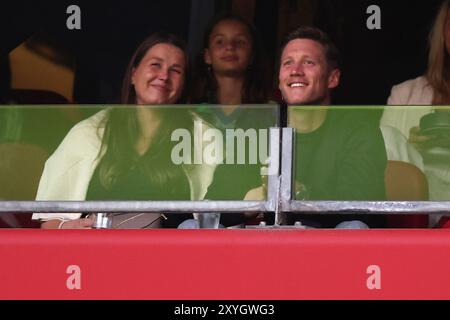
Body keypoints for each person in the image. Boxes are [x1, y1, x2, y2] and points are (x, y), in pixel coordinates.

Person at [32, 33, 213, 229]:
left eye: (176, 70)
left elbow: (219, 220)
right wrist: (64, 228)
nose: (164, 76)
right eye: (155, 65)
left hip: (172, 256)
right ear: (134, 74)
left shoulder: (203, 137)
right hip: (99, 253)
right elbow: (49, 223)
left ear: (184, 84)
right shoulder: (91, 131)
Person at [266, 26, 387, 228]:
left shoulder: (359, 130)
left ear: (333, 78)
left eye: (308, 62)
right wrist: (249, 201)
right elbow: (216, 200)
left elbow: (356, 204)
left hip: (329, 247)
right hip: (263, 245)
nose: (296, 71)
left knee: (353, 227)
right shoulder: (259, 127)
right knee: (193, 227)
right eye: (288, 63)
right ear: (279, 80)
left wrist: (298, 194)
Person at [187, 14, 277, 227]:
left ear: (252, 55)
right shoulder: (189, 113)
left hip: (253, 220)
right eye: (220, 41)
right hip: (199, 220)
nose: (229, 47)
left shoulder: (271, 112)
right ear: (207, 55)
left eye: (240, 42)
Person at [380, 0, 450, 225]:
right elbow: (385, 153)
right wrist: (411, 146)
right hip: (419, 203)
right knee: (387, 136)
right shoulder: (405, 93)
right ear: (443, 34)